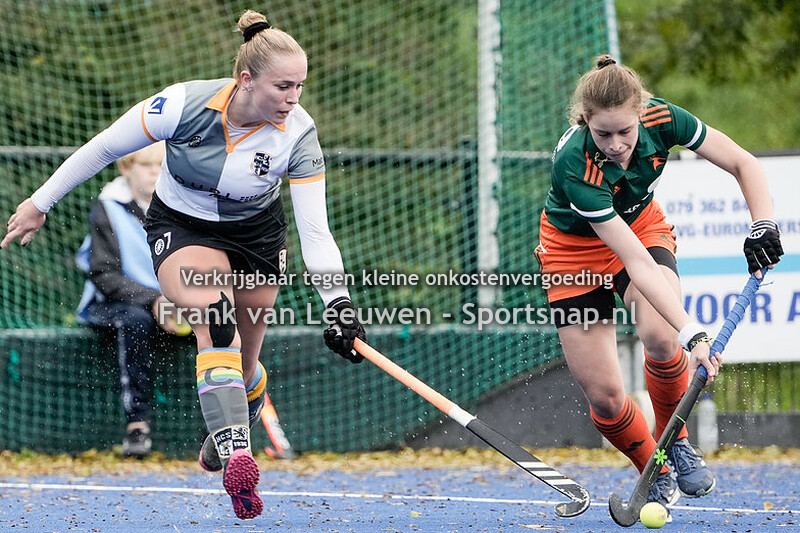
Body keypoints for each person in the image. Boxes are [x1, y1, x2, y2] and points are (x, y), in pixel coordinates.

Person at [2, 9, 366, 520]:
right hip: (184, 228)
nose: (293, 98)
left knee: (243, 365)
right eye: (283, 86)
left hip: (259, 239)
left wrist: (339, 303)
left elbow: (314, 229)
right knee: (215, 321)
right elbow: (104, 148)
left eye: (300, 86)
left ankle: (239, 408)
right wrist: (41, 202)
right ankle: (239, 451)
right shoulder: (183, 104)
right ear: (246, 79)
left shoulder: (299, 134)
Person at [535, 55, 783, 513]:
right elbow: (635, 264)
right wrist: (699, 337)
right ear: (585, 120)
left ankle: (678, 442)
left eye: (625, 132)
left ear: (641, 113)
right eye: (602, 133)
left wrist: (762, 223)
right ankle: (657, 465)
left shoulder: (663, 117)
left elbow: (744, 163)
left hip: (641, 225)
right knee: (607, 400)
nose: (615, 144)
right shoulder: (575, 166)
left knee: (659, 332)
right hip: (573, 252)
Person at [75, 142, 187, 459]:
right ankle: (137, 425)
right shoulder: (107, 209)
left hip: (171, 304)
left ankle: (220, 429)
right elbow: (104, 275)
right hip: (111, 304)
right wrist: (155, 300)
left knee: (216, 322)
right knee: (137, 321)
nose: (156, 172)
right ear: (126, 169)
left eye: (161, 166)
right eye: (147, 165)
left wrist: (183, 300)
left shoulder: (180, 208)